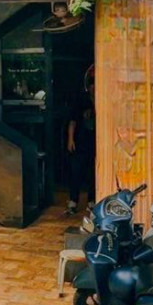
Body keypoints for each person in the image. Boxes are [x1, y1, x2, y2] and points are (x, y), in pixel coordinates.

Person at [66, 69, 96, 214]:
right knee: (76, 172)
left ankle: (92, 201)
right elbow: (72, 121)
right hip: (80, 141)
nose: (94, 88)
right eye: (92, 85)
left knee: (92, 173)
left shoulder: (102, 101)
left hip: (94, 143)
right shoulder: (81, 100)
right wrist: (70, 139)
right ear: (88, 87)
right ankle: (73, 201)